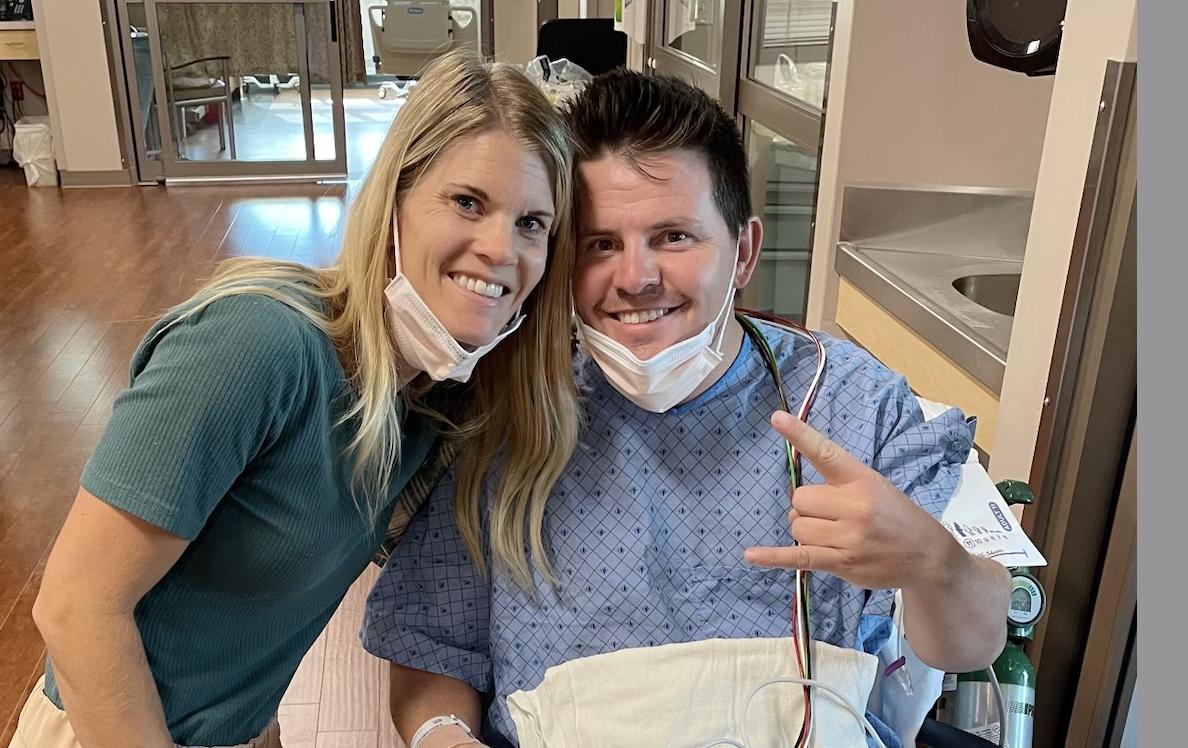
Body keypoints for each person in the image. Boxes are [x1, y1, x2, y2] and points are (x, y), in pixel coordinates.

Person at [362, 69, 1011, 748]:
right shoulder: (515, 410)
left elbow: (971, 643)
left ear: (744, 252)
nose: (636, 278)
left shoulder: (852, 404)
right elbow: (432, 648)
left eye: (674, 237)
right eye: (600, 244)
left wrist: (936, 564)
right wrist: (444, 736)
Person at [15, 49, 581, 748]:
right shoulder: (255, 344)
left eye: (532, 224)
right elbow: (75, 607)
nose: (501, 248)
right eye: (468, 202)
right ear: (394, 202)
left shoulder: (431, 404)